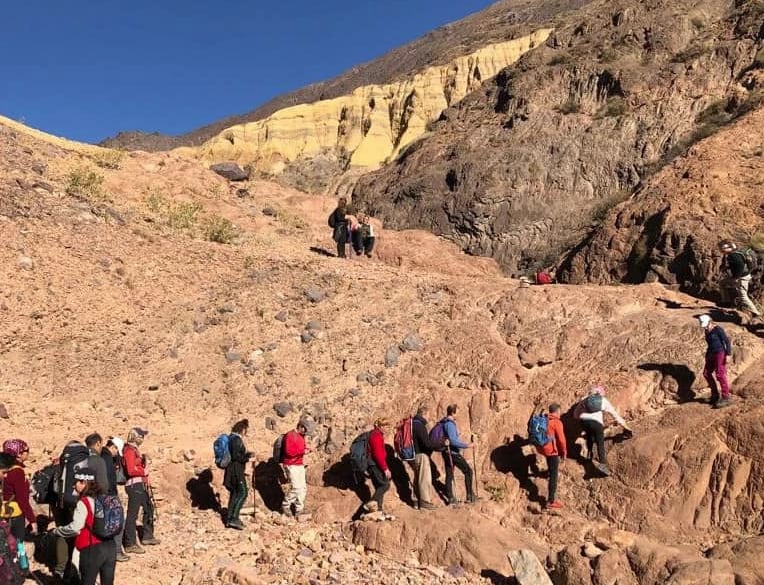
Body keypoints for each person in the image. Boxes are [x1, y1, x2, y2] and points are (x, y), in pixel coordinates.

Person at [52, 467, 117, 585]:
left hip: (91, 548)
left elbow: (76, 527)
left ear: (84, 482)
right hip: (111, 546)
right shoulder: (105, 498)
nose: (73, 486)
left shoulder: (84, 502)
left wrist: (58, 531)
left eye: (76, 482)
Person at [574, 386, 632, 476]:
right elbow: (614, 415)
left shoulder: (584, 399)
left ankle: (589, 456)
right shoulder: (603, 401)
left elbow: (575, 415)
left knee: (589, 436)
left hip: (584, 422)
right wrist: (626, 427)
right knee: (600, 443)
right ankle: (602, 465)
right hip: (596, 423)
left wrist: (584, 418)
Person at [122, 428, 159, 552]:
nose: (142, 438)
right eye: (141, 435)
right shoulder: (129, 451)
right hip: (134, 485)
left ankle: (147, 536)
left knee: (149, 508)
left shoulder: (134, 450)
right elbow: (131, 470)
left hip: (140, 485)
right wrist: (144, 471)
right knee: (133, 514)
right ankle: (129, 543)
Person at [441, 404, 478, 505]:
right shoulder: (450, 424)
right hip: (453, 453)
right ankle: (470, 496)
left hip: (447, 452)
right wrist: (468, 445)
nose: (459, 414)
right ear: (453, 413)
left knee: (449, 474)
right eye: (458, 412)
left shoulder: (445, 422)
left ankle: (450, 498)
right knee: (468, 471)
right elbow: (453, 441)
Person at [1, 439, 36, 540]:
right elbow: (22, 499)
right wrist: (32, 520)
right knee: (16, 547)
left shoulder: (4, 470)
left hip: (2, 512)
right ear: (19, 454)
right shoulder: (18, 472)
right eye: (26, 450)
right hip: (14, 514)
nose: (28, 453)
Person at [101, 437, 129, 562]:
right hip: (109, 495)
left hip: (102, 495)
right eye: (116, 451)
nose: (116, 454)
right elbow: (109, 480)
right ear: (113, 447)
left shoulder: (100, 456)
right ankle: (116, 551)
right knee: (118, 521)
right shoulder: (106, 459)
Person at [718, 240, 761, 318]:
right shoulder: (735, 252)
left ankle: (756, 313)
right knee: (722, 283)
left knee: (743, 296)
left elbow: (740, 266)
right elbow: (738, 265)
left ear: (728, 248)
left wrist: (735, 278)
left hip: (742, 278)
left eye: (721, 248)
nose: (720, 250)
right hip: (744, 275)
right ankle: (726, 302)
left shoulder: (733, 256)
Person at [535, 404, 567, 509]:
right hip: (551, 451)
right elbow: (561, 440)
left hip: (541, 447)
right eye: (560, 412)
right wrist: (564, 452)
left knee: (550, 463)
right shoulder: (557, 422)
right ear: (557, 411)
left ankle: (547, 471)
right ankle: (551, 501)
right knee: (554, 475)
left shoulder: (543, 419)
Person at [409, 406, 441, 510]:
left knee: (417, 478)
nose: (429, 417)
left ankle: (416, 501)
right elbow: (427, 444)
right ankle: (425, 501)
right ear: (423, 414)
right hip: (421, 455)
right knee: (424, 479)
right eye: (428, 415)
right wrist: (440, 443)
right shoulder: (419, 425)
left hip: (412, 456)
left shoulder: (411, 424)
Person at [223, 419, 253, 530]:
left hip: (232, 470)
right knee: (243, 492)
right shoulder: (236, 439)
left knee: (235, 493)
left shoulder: (231, 438)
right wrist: (247, 457)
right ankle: (234, 518)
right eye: (246, 429)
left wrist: (246, 454)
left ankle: (229, 518)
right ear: (242, 429)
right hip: (236, 470)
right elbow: (236, 457)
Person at [698, 314, 733, 408]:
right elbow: (710, 344)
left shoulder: (718, 329)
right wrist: (707, 355)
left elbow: (727, 341)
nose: (705, 327)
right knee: (706, 373)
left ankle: (726, 397)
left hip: (720, 353)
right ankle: (715, 395)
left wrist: (728, 354)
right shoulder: (706, 331)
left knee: (720, 374)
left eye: (706, 324)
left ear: (710, 321)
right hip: (711, 354)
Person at [281, 420, 310, 518]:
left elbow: (302, 448)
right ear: (300, 426)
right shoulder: (290, 435)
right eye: (305, 429)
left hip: (299, 464)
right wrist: (302, 451)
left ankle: (299, 509)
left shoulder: (301, 437)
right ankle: (285, 505)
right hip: (291, 465)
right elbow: (289, 451)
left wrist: (307, 449)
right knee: (296, 487)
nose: (305, 432)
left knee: (303, 488)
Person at [364, 419, 391, 513]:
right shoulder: (376, 436)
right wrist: (385, 468)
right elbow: (377, 454)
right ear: (381, 426)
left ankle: (378, 510)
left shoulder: (376, 435)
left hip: (373, 464)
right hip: (374, 465)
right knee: (385, 485)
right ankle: (371, 503)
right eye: (386, 427)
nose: (388, 429)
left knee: (379, 486)